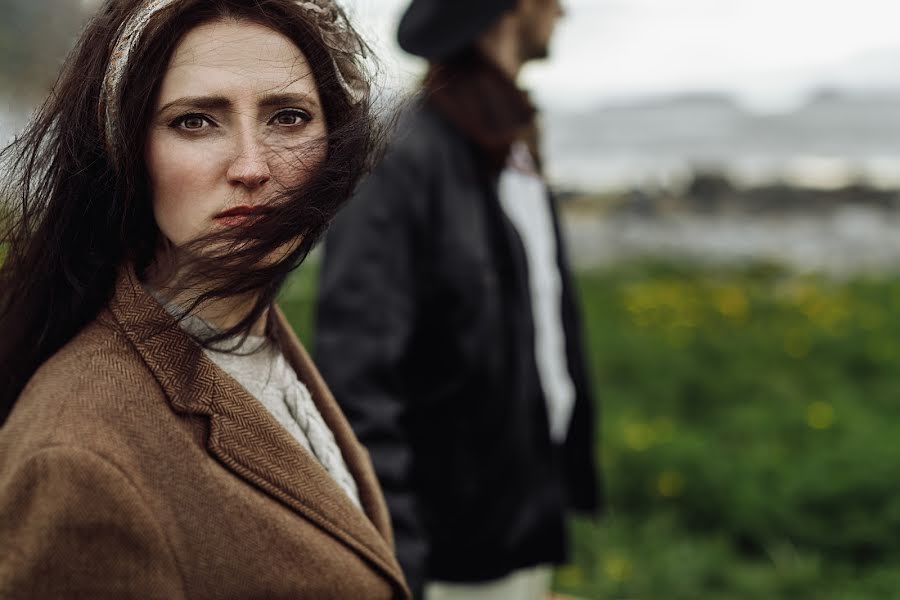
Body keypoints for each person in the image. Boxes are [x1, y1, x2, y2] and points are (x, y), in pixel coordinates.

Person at [0, 1, 410, 598]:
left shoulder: (252, 335)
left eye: (289, 117)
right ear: (127, 150)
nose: (251, 166)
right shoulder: (77, 463)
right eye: (195, 121)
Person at [314, 0, 603, 598]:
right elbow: (357, 377)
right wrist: (397, 561)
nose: (565, 12)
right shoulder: (403, 156)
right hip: (442, 555)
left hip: (515, 523)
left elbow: (542, 337)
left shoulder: (511, 146)